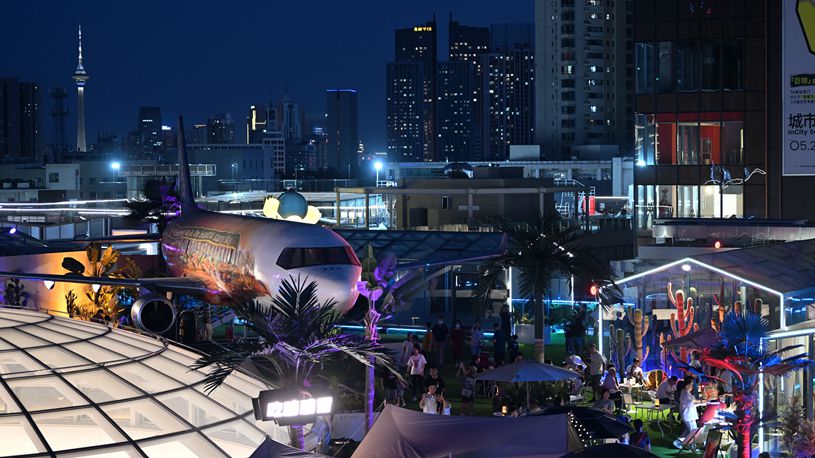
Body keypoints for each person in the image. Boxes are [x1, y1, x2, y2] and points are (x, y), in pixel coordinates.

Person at [673, 380, 700, 449]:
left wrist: (704, 402)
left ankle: (678, 442)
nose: (692, 386)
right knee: (693, 431)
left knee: (689, 430)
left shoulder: (686, 392)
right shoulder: (685, 394)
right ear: (687, 385)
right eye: (691, 384)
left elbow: (693, 403)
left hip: (690, 415)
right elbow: (692, 402)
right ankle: (690, 445)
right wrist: (704, 401)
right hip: (688, 415)